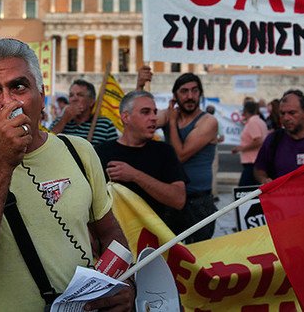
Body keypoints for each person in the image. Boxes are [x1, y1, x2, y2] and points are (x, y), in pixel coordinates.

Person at [0, 38, 133, 311]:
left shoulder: (79, 150)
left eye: (19, 86)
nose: (8, 102)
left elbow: (109, 232)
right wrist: (0, 160)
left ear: (41, 95)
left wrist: (121, 284)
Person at [94, 90, 187, 233]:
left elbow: (178, 200)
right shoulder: (101, 152)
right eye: (145, 112)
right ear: (126, 117)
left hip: (157, 242)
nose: (153, 118)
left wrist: (135, 175)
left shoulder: (164, 152)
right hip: (115, 243)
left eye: (154, 112)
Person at [157, 72, 219, 243]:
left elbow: (180, 155)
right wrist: (140, 86)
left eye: (194, 91)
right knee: (169, 256)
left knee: (199, 258)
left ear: (200, 93)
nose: (190, 96)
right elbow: (138, 119)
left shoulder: (208, 121)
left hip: (198, 202)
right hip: (170, 198)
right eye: (184, 91)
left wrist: (171, 122)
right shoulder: (169, 115)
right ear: (175, 96)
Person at [50, 79, 118, 146]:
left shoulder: (105, 124)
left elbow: (113, 152)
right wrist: (64, 120)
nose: (74, 99)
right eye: (71, 95)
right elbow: (47, 143)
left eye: (80, 95)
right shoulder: (59, 121)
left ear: (91, 101)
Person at [232, 101, 268, 187]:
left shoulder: (252, 122)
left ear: (245, 111)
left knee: (242, 191)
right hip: (256, 161)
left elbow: (258, 140)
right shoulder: (260, 121)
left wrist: (242, 148)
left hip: (252, 162)